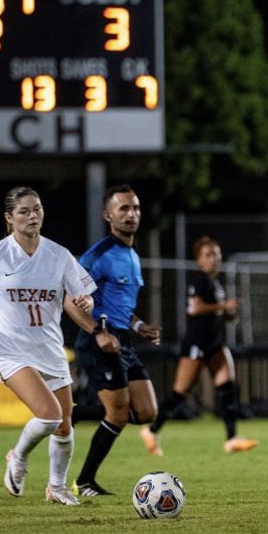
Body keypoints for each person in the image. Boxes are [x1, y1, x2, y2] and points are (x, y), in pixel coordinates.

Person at [0, 185, 113, 506]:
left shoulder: (59, 255)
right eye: (24, 211)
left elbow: (80, 296)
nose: (32, 216)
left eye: (37, 209)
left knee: (64, 426)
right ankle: (18, 457)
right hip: (12, 350)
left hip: (50, 349)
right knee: (49, 416)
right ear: (9, 217)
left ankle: (56, 487)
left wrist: (86, 302)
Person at [67, 184, 161, 496]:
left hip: (123, 341)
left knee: (147, 412)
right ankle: (84, 482)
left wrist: (139, 325)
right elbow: (70, 301)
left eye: (135, 208)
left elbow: (120, 305)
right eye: (124, 208)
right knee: (118, 414)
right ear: (108, 215)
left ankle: (77, 413)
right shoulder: (97, 255)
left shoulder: (132, 255)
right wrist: (98, 332)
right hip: (99, 340)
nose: (131, 214)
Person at [140, 236, 258, 456]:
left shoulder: (215, 283)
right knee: (180, 392)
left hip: (214, 343)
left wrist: (227, 315)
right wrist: (224, 306)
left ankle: (232, 439)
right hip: (197, 343)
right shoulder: (200, 281)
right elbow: (195, 309)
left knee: (227, 387)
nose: (213, 258)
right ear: (199, 260)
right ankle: (151, 431)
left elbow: (213, 311)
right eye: (208, 255)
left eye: (216, 254)